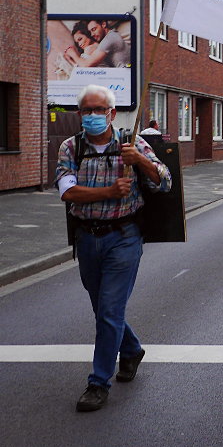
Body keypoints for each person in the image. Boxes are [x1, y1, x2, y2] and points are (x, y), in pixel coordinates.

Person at [55, 84, 172, 412]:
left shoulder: (131, 143)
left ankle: (98, 383)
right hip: (87, 238)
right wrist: (109, 191)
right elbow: (68, 192)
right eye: (87, 110)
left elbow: (165, 180)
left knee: (108, 311)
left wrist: (142, 162)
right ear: (80, 114)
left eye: (99, 110)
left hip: (124, 237)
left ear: (112, 113)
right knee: (102, 308)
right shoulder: (70, 147)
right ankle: (131, 349)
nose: (93, 116)